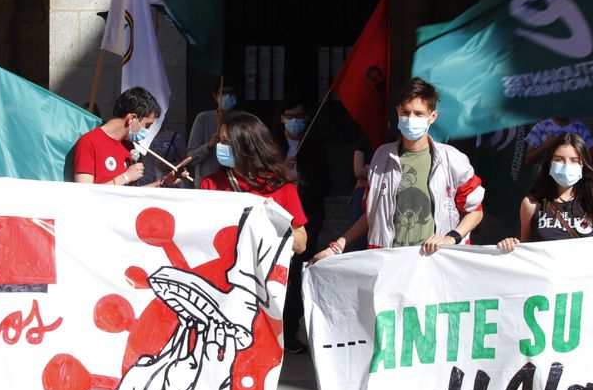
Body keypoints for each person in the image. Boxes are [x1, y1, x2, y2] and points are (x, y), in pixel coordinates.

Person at [314, 77, 484, 259]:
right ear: (397, 112)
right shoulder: (381, 157)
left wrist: (451, 238)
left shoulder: (452, 159)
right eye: (406, 112)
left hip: (436, 262)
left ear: (432, 117)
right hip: (389, 263)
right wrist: (337, 247)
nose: (411, 119)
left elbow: (475, 211)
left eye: (419, 114)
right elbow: (371, 213)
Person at [497, 133, 593, 248]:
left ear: (583, 164)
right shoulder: (531, 204)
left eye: (574, 160)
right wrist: (509, 246)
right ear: (549, 163)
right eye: (559, 159)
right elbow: (525, 253)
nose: (566, 165)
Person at [199, 112, 309, 257]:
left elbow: (301, 245)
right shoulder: (210, 185)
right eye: (220, 140)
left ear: (247, 145)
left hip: (265, 275)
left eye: (226, 142)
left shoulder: (281, 186)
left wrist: (274, 222)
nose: (220, 146)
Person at [274, 97, 328, 351]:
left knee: (297, 275)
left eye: (300, 116)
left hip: (306, 221)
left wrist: (302, 182)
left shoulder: (315, 146)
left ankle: (291, 330)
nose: (295, 120)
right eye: (290, 115)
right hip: (275, 221)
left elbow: (327, 184)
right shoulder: (272, 146)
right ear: (282, 118)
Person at [71, 87, 181, 187]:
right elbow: (84, 193)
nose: (148, 131)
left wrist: (164, 182)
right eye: (147, 125)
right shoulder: (89, 143)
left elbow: (131, 194)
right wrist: (125, 177)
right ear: (132, 118)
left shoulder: (129, 145)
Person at [185, 83, 237, 183]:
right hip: (207, 184)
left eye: (231, 93)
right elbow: (191, 158)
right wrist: (209, 145)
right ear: (215, 96)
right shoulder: (203, 118)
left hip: (231, 184)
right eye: (224, 93)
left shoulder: (240, 120)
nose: (228, 96)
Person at [521, 115, 593, 166]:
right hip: (545, 181)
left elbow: (592, 156)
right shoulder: (539, 127)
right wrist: (544, 147)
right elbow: (528, 160)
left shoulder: (580, 128)